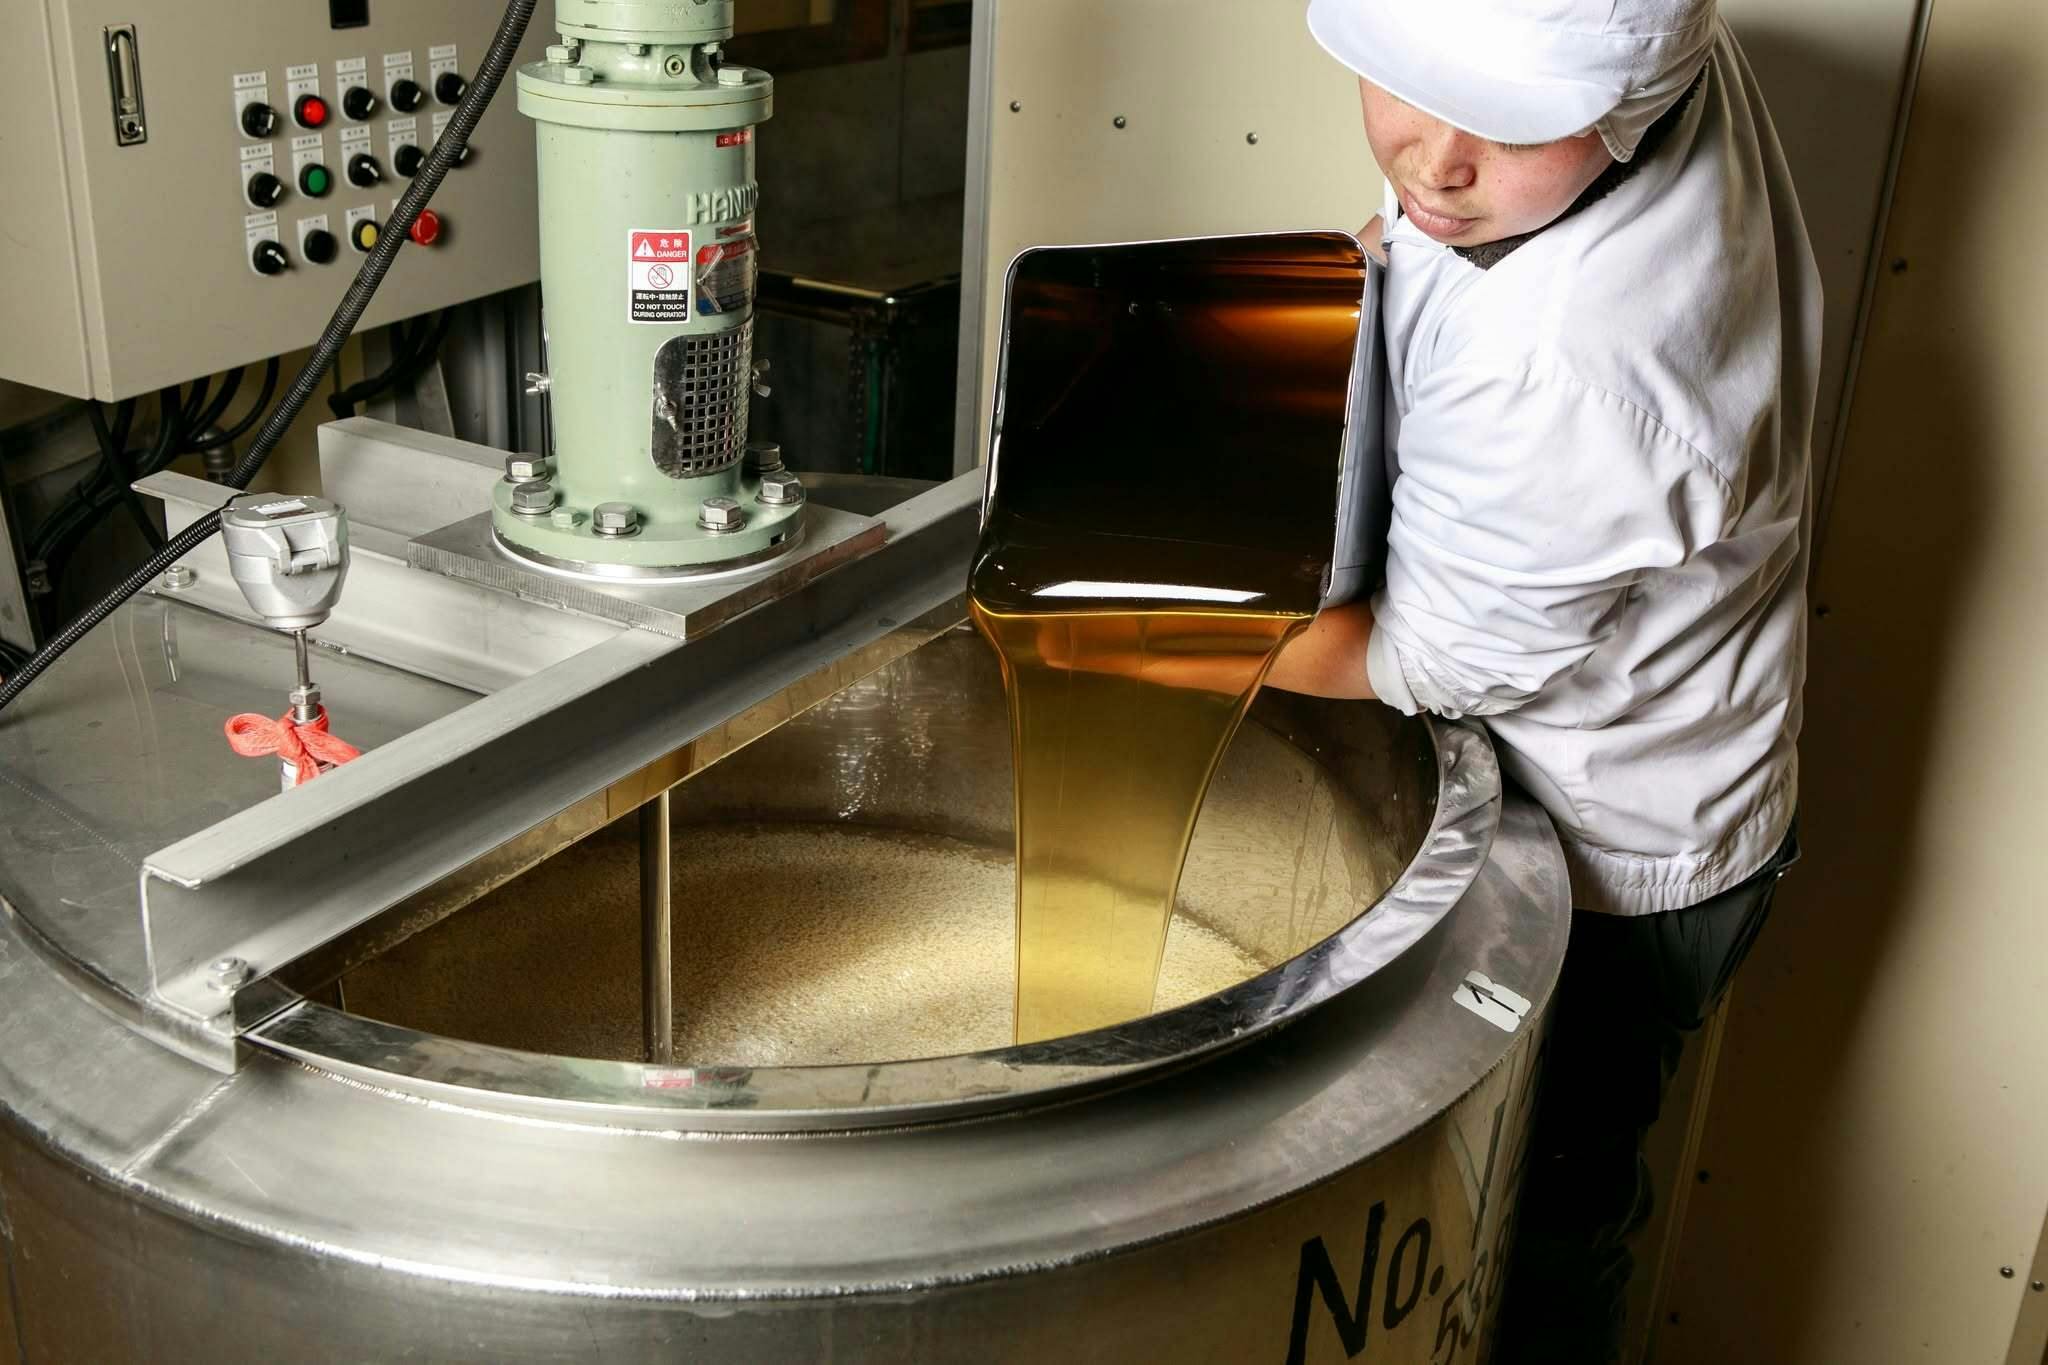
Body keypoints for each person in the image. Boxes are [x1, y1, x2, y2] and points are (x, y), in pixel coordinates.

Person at [1270, 1, 1820, 1359]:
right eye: (1404, 86)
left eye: (1510, 127)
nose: (1434, 161)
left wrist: (1146, 640)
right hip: (1598, 735)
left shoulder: (1578, 361)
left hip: (1619, 857)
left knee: (1539, 1223)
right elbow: (1438, 197)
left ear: (1632, 104)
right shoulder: (1603, 106)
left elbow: (1425, 658)